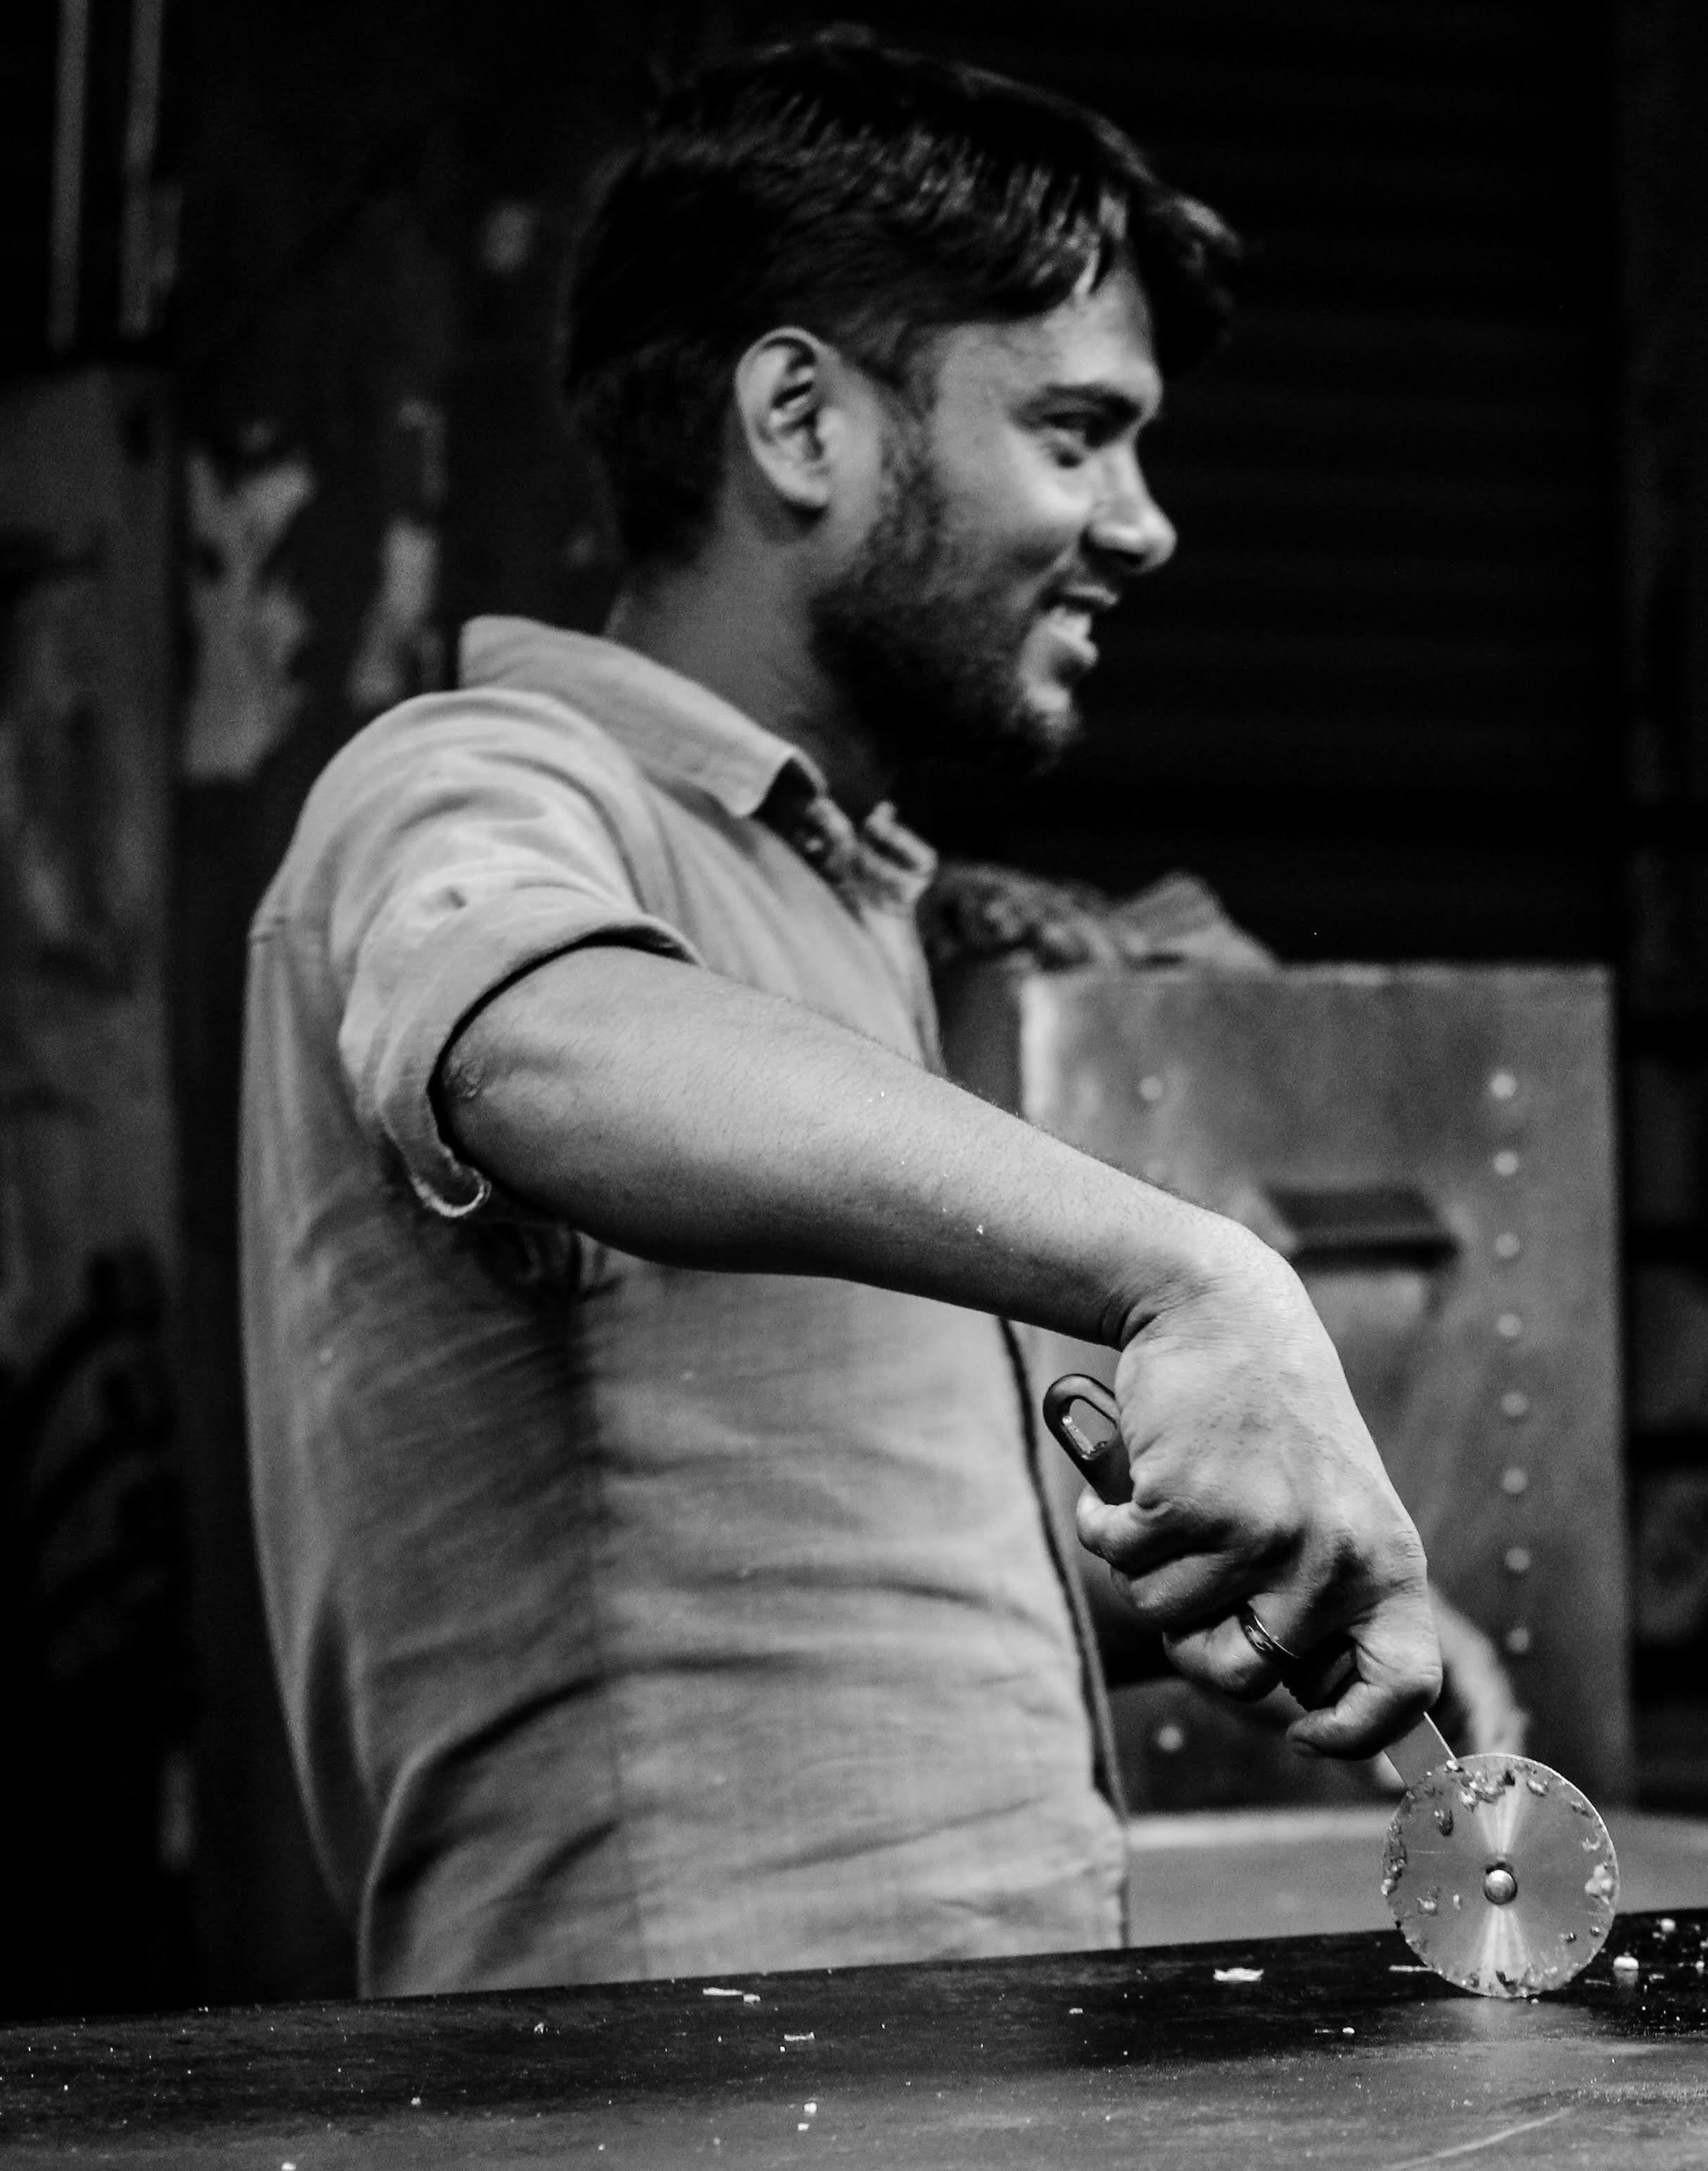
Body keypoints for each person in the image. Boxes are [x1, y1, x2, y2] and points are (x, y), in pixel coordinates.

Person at [240, 31, 1442, 1997]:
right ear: (803, 420)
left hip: (943, 2071)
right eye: (1073, 431)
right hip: (664, 2105)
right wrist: (1188, 1275)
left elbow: (777, 1579)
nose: (1141, 523)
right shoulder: (474, 781)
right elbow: (532, 1040)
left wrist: (1208, 1589)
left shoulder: (843, 905)